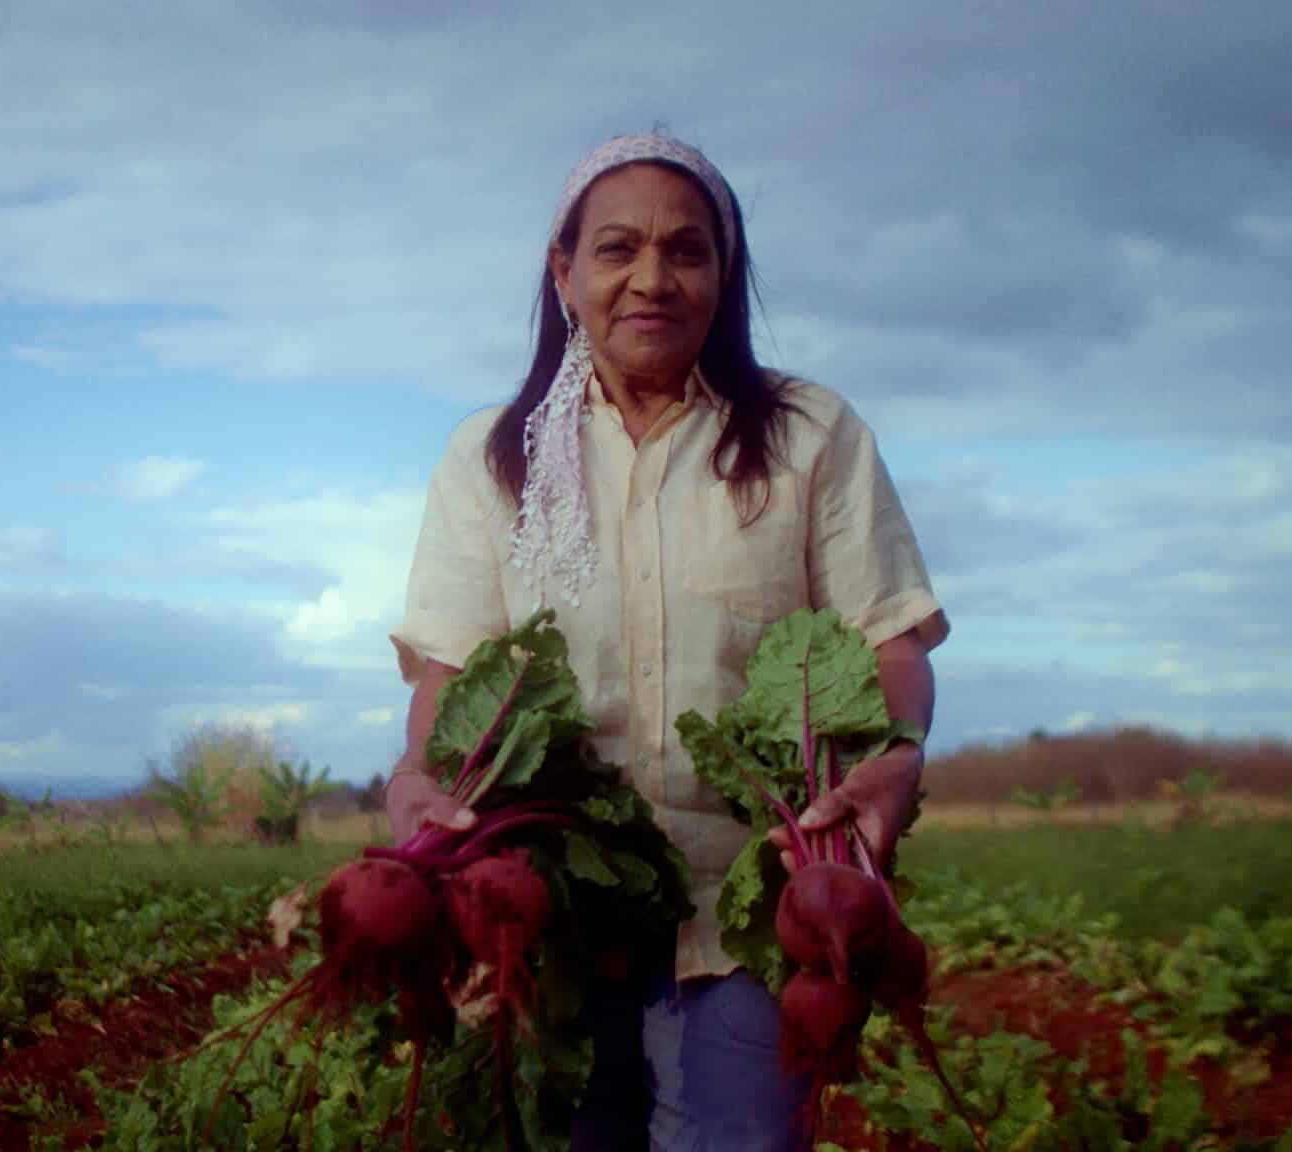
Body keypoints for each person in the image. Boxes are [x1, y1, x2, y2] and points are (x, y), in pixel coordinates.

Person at [385, 133, 949, 1151]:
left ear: (721, 275)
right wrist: (420, 774)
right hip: (542, 916)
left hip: (740, 912)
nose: (651, 278)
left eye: (685, 251)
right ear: (563, 272)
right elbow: (451, 671)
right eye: (616, 250)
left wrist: (897, 754)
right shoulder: (489, 458)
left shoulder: (807, 435)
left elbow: (888, 644)